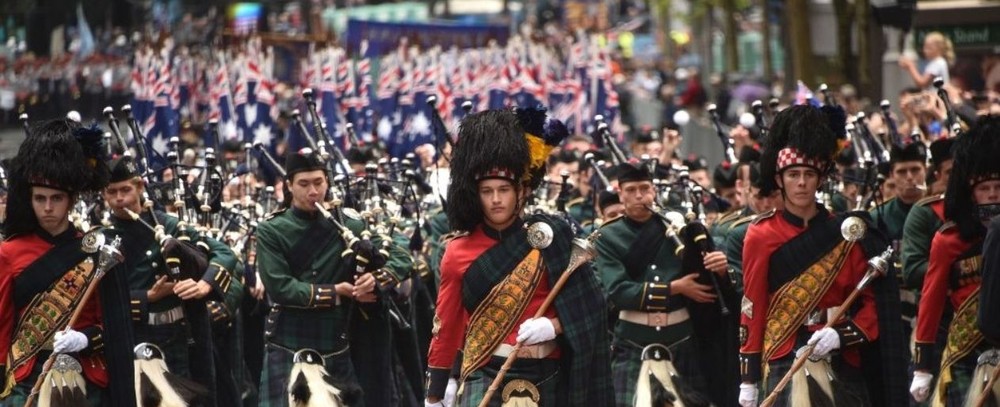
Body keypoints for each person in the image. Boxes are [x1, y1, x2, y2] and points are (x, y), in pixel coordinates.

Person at [425, 108, 612, 407]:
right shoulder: (456, 251)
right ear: (476, 195)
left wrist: (554, 325)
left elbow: (593, 303)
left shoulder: (553, 235)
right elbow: (445, 324)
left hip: (549, 372)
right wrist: (437, 390)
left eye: (503, 190)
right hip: (486, 374)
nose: (496, 199)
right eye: (487, 191)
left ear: (521, 192)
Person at [737, 105, 903, 407]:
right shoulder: (760, 234)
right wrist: (748, 379)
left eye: (809, 174)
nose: (801, 183)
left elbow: (872, 302)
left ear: (820, 179)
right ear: (779, 179)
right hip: (782, 356)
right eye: (793, 174)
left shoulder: (847, 232)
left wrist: (842, 336)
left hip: (840, 358)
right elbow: (753, 304)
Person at [254, 147, 408, 407]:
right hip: (287, 340)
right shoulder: (271, 230)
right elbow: (281, 287)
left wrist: (378, 280)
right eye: (303, 184)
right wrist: (336, 291)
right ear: (288, 186)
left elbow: (401, 253)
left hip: (337, 339)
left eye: (318, 182)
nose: (313, 191)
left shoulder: (350, 224)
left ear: (328, 182)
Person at [0, 119, 135, 407]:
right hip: (28, 376)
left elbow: (113, 326)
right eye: (40, 198)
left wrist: (84, 340)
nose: (47, 208)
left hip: (88, 376)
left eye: (56, 198)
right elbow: (2, 328)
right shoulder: (9, 252)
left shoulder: (98, 248)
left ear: (71, 200)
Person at [103, 154, 238, 406]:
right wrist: (147, 297)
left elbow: (224, 253)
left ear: (140, 187)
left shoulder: (170, 226)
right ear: (104, 194)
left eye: (125, 190)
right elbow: (99, 298)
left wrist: (203, 285)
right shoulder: (103, 238)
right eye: (112, 192)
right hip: (132, 336)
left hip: (180, 335)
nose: (120, 199)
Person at [596, 160, 733, 407]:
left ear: (654, 190)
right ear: (620, 193)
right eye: (631, 190)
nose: (639, 196)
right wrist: (675, 288)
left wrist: (721, 269)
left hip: (682, 339)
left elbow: (707, 280)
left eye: (645, 188)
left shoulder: (680, 227)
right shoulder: (608, 236)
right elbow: (618, 292)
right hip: (632, 342)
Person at [911, 115, 1000, 406]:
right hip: (966, 348)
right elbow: (931, 300)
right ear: (970, 194)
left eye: (998, 188)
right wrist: (923, 367)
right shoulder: (949, 240)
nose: (992, 196)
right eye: (984, 189)